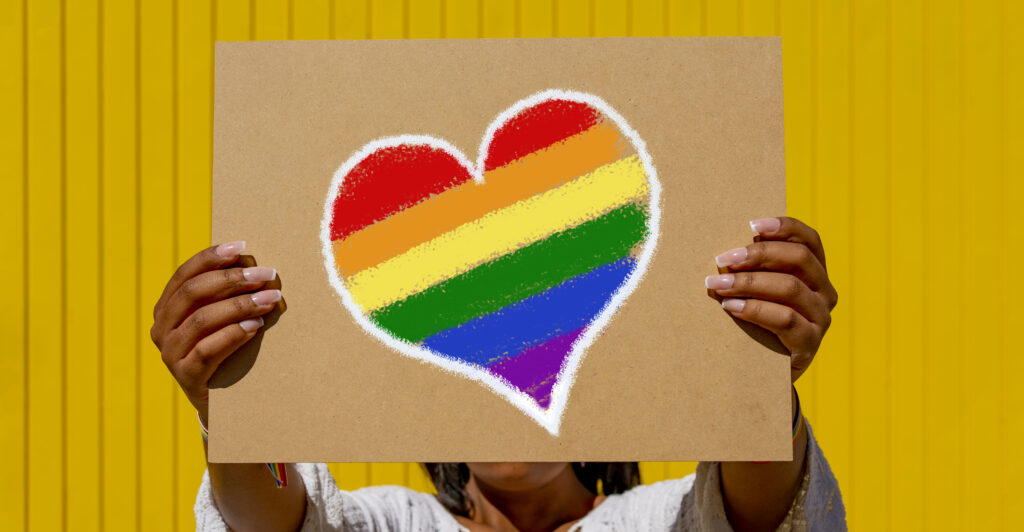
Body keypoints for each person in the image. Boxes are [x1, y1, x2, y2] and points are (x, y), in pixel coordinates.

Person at [150, 216, 845, 531]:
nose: (513, 375)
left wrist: (761, 376)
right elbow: (273, 519)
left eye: (544, 337)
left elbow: (764, 513)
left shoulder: (662, 521)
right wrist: (232, 409)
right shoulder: (394, 524)